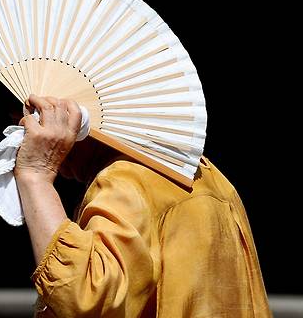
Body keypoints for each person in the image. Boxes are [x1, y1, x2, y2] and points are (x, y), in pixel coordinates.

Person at [15, 94, 271, 317]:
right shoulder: (208, 176)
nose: (21, 127)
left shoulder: (126, 180)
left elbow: (82, 301)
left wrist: (36, 175)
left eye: (30, 113)